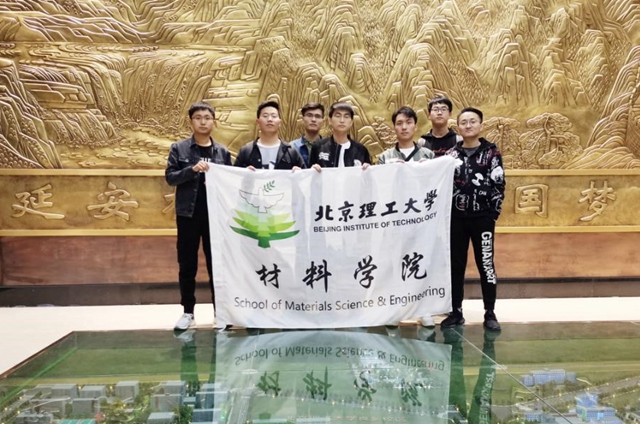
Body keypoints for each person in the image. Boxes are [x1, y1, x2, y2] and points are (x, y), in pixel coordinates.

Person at [166, 102, 232, 331]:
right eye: (198, 118)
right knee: (187, 265)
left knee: (218, 266)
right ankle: (188, 312)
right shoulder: (179, 148)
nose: (203, 122)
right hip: (188, 215)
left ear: (214, 122)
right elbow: (170, 178)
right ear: (191, 122)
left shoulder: (222, 152)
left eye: (207, 118)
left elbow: (230, 183)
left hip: (216, 218)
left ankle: (220, 313)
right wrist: (192, 169)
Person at [441, 107, 505, 331]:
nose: (468, 125)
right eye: (464, 122)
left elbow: (499, 184)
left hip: (482, 220)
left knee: (486, 264)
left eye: (472, 121)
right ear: (458, 126)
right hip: (456, 220)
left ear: (480, 125)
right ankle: (456, 311)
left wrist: (492, 214)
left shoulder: (492, 152)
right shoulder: (450, 155)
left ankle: (490, 312)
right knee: (455, 266)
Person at [378, 106, 436, 328]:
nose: (404, 127)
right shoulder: (385, 157)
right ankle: (395, 309)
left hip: (421, 220)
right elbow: (379, 187)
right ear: (394, 127)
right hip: (394, 220)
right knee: (395, 263)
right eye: (399, 123)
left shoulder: (428, 156)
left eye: (408, 122)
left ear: (415, 126)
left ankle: (424, 309)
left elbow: (435, 185)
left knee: (421, 260)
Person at [234, 100, 306, 170]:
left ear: (280, 123)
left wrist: (300, 173)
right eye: (265, 116)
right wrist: (244, 173)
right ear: (258, 122)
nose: (269, 119)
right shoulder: (246, 151)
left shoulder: (291, 152)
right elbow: (233, 176)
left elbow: (306, 176)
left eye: (274, 116)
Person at [309, 102, 371, 170]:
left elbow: (369, 175)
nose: (342, 120)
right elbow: (309, 174)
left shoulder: (361, 150)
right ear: (330, 120)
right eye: (338, 116)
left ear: (351, 122)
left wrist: (368, 170)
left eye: (346, 116)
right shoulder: (319, 147)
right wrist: (312, 170)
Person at [290, 102, 324, 167]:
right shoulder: (292, 147)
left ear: (323, 121)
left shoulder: (329, 148)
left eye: (317, 116)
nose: (313, 120)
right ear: (303, 119)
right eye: (309, 115)